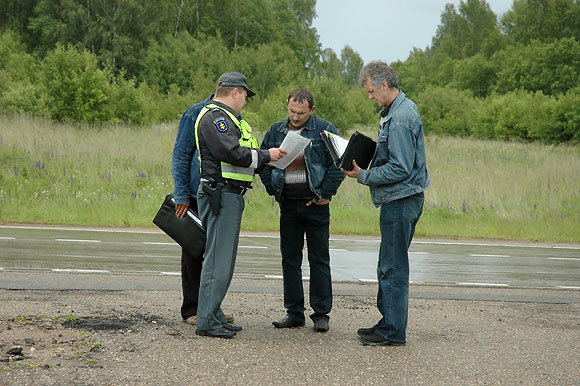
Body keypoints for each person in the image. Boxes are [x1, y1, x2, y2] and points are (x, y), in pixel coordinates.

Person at [342, 61, 430, 346]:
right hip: (398, 198)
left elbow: (401, 167)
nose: (369, 97)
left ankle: (393, 331)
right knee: (387, 264)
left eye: (370, 91)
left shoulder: (401, 116)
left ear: (383, 85)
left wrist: (364, 175)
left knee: (393, 267)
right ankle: (388, 321)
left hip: (401, 199)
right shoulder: (394, 111)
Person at [194, 71, 285, 339]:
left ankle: (214, 313)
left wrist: (263, 159)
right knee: (217, 262)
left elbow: (240, 156)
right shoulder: (216, 117)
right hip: (220, 194)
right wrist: (267, 155)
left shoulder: (230, 119)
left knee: (224, 261)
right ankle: (207, 320)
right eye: (245, 96)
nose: (245, 101)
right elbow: (231, 153)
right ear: (235, 92)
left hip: (229, 194)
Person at [259, 88, 345, 333]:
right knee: (290, 260)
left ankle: (321, 314)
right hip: (288, 204)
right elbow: (263, 162)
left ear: (312, 110)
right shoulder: (275, 131)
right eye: (292, 111)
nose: (295, 117)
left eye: (301, 113)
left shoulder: (325, 130)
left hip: (316, 205)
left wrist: (325, 195)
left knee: (319, 259)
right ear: (286, 104)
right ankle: (294, 313)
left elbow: (339, 164)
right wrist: (273, 190)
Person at [171, 95, 233, 327]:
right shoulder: (194, 113)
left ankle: (210, 307)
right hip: (196, 193)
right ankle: (191, 309)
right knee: (193, 250)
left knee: (216, 254)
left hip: (221, 193)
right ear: (231, 93)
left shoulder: (232, 117)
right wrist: (181, 194)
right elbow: (180, 155)